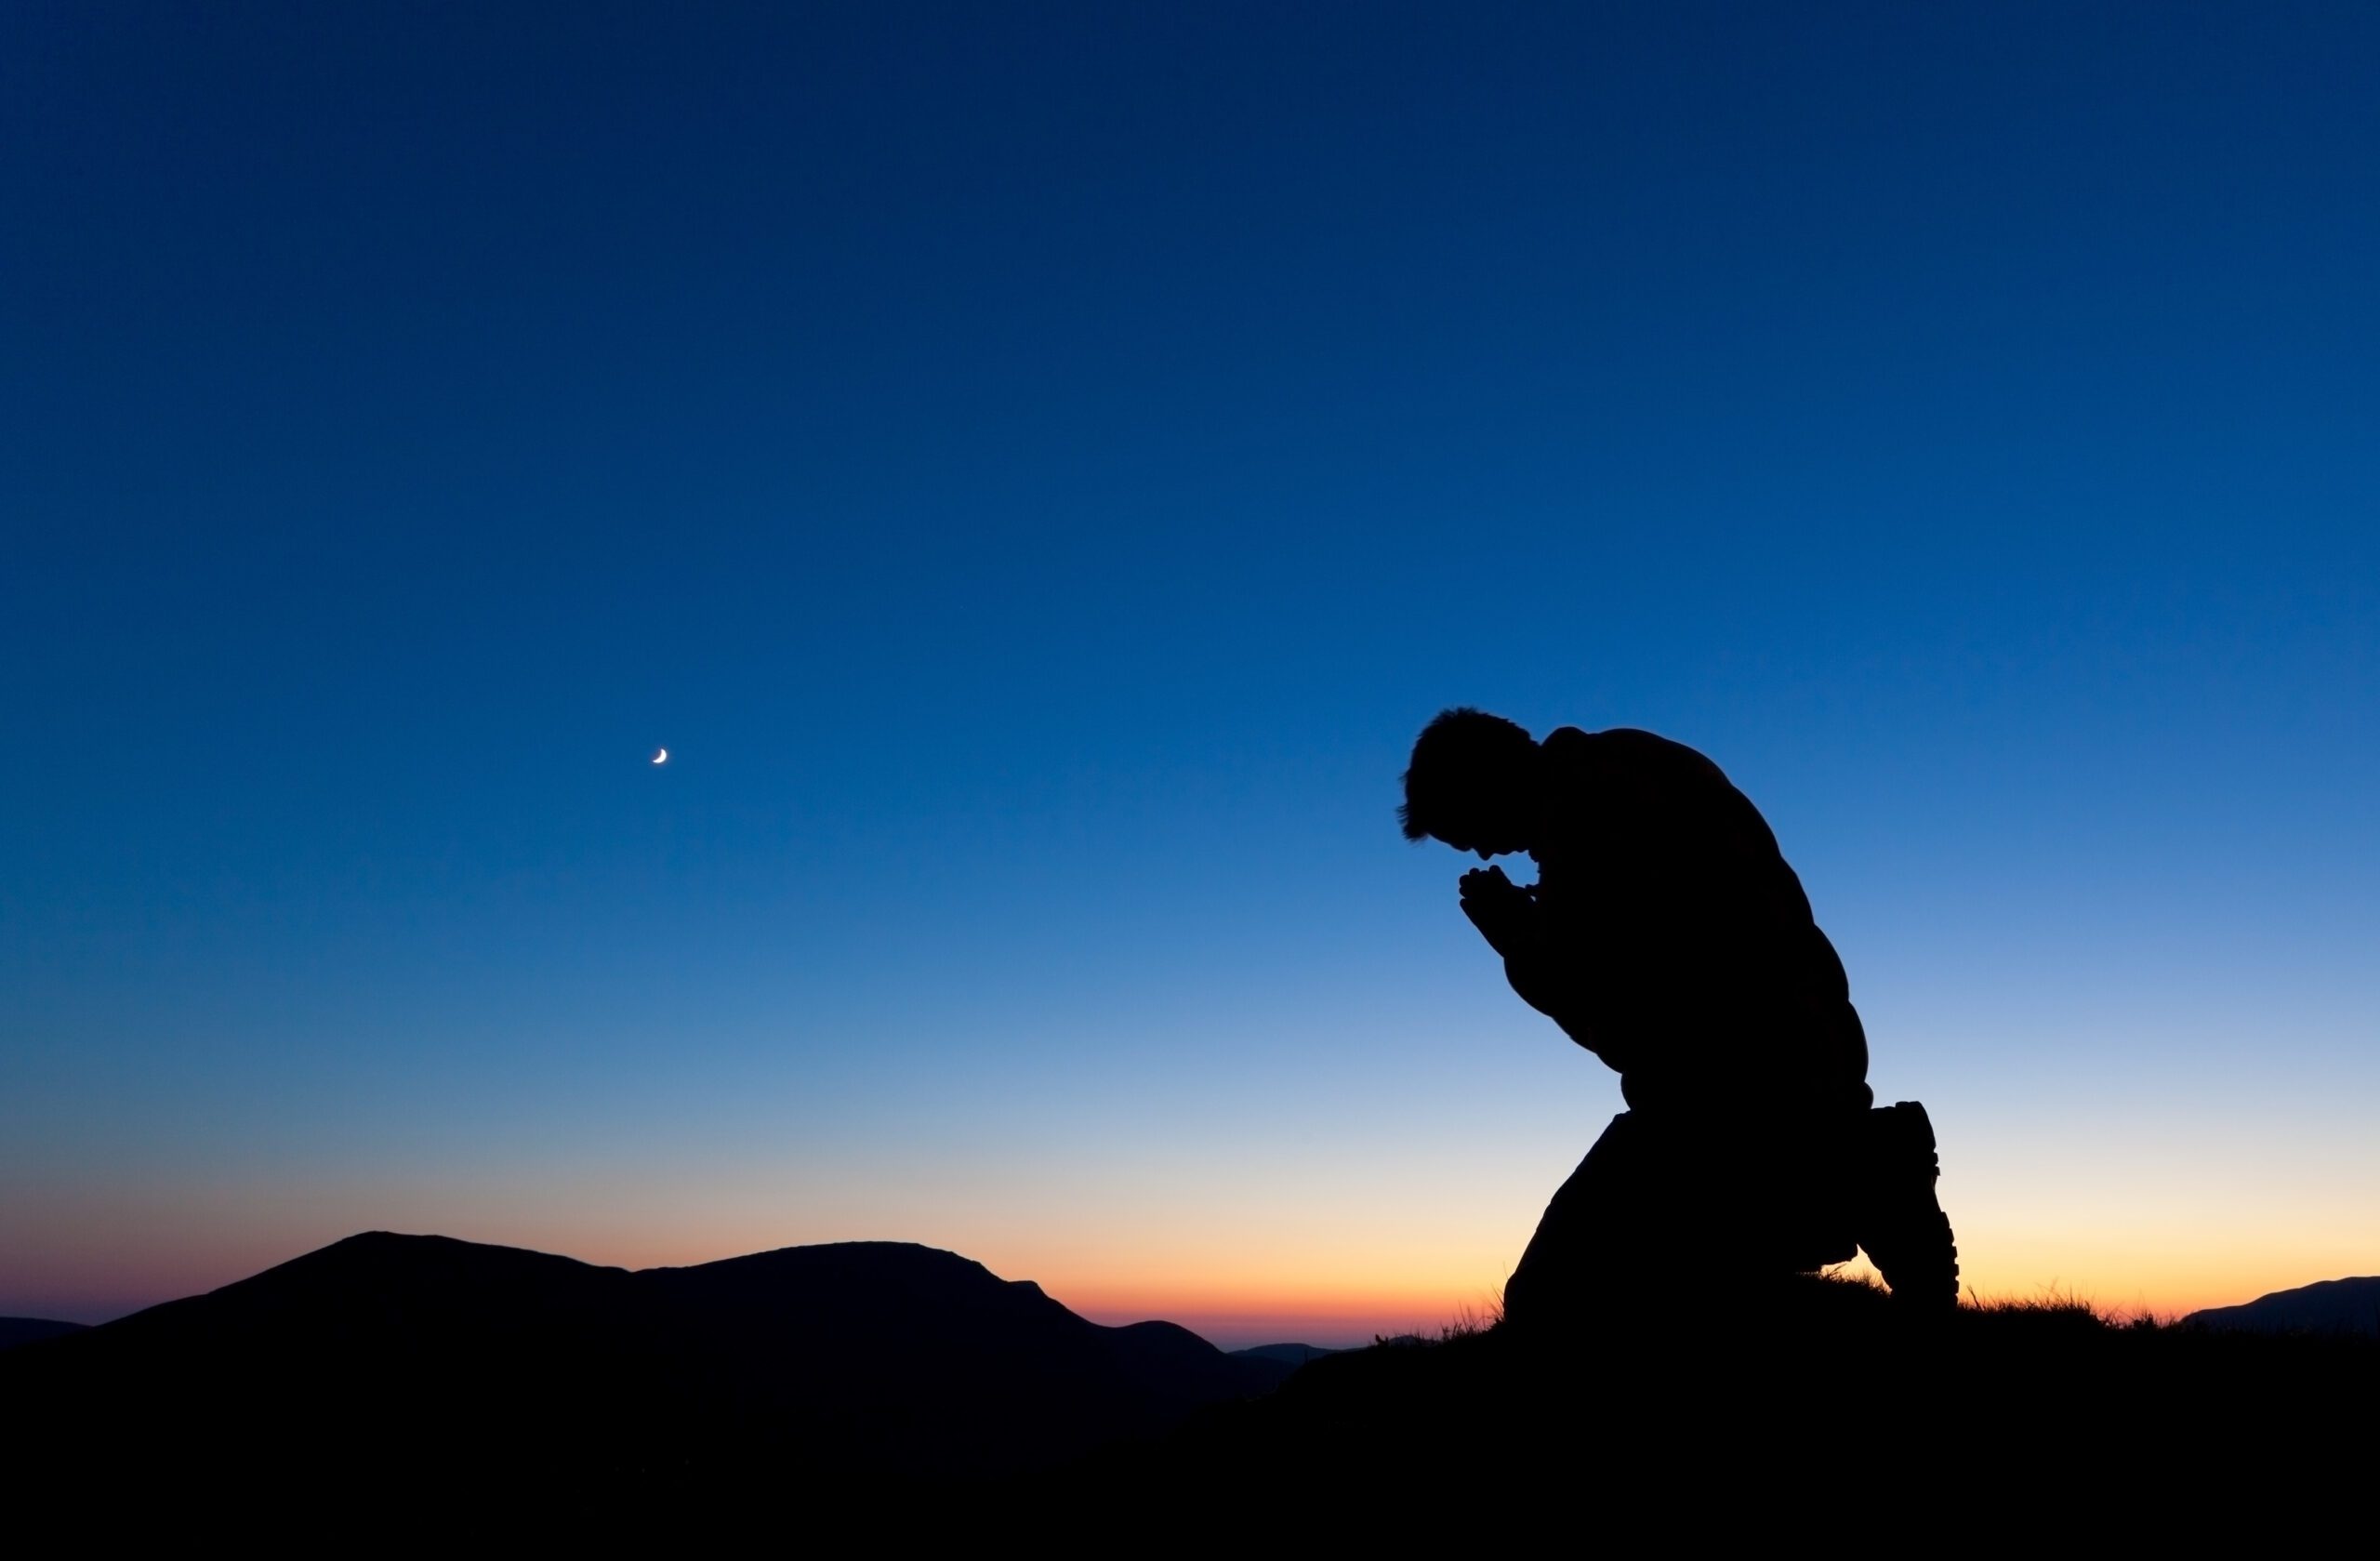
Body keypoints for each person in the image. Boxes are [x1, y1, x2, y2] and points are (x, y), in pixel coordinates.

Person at [1399, 708, 1957, 1320]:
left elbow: (1621, 1019)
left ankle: (1856, 1171)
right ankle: (1849, 1167)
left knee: (1549, 1299)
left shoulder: (1584, 821)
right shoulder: (1630, 763)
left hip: (1724, 1093)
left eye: (1466, 827)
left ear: (1484, 780)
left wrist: (1519, 943)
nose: (1481, 847)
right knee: (1691, 1266)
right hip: (1815, 1053)